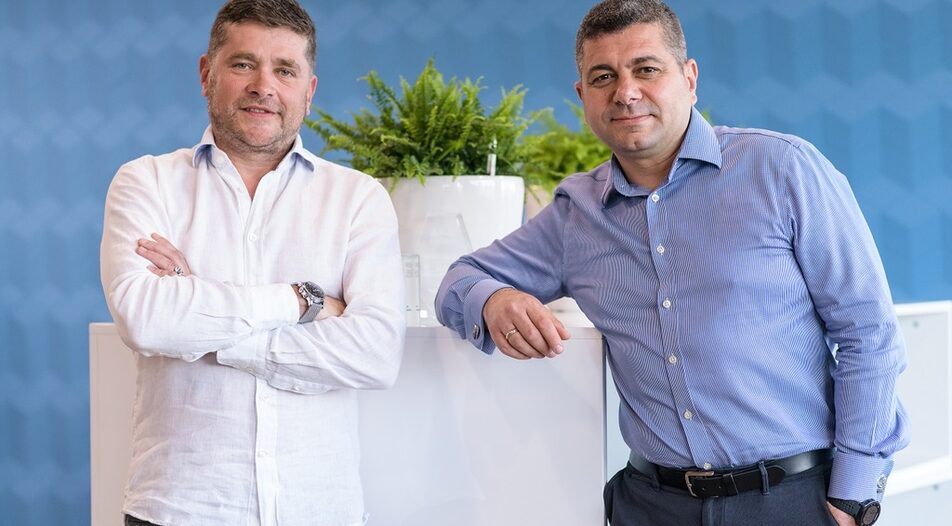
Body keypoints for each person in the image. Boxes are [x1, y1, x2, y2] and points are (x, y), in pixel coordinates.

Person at [435, 0, 908, 524]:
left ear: (689, 78)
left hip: (793, 500)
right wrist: (494, 299)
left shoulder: (782, 170)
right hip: (651, 506)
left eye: (646, 69)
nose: (625, 92)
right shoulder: (576, 215)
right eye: (603, 77)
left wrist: (853, 496)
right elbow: (459, 278)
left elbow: (867, 331)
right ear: (583, 96)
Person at [99, 1, 405, 524]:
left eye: (285, 70)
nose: (264, 86)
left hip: (318, 509)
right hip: (179, 509)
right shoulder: (146, 182)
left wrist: (200, 317)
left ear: (309, 91)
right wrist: (301, 301)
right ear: (206, 74)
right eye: (243, 64)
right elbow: (147, 320)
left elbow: (375, 355)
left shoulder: (358, 199)